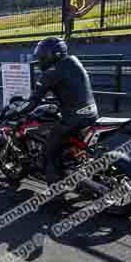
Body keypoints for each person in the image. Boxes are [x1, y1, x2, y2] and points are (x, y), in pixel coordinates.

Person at [22, 36, 99, 186]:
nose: (40, 60)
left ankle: (55, 188)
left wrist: (16, 112)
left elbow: (33, 101)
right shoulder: (73, 61)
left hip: (73, 120)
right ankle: (72, 164)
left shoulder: (52, 72)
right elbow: (71, 89)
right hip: (91, 114)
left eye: (43, 56)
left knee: (49, 150)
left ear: (52, 55)